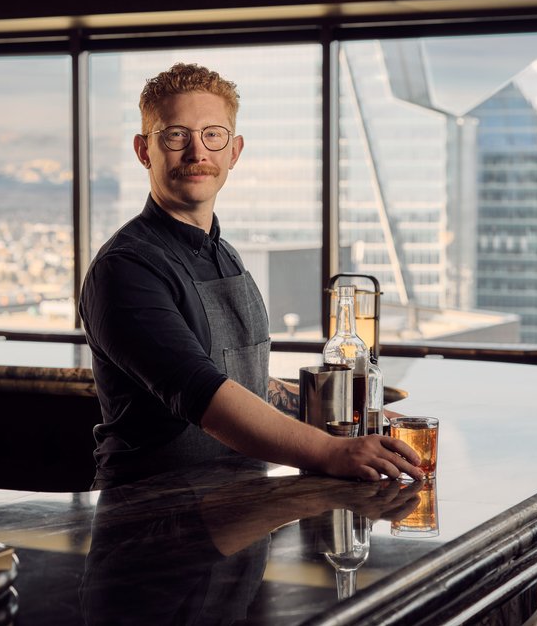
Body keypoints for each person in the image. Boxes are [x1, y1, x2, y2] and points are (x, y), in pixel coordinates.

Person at [79, 62, 424, 489]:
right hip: (146, 518)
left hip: (234, 511)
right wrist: (332, 451)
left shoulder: (227, 256)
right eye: (175, 135)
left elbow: (251, 385)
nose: (197, 153)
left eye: (213, 135)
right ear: (143, 150)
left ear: (234, 152)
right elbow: (204, 393)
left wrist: (363, 417)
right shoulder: (125, 268)